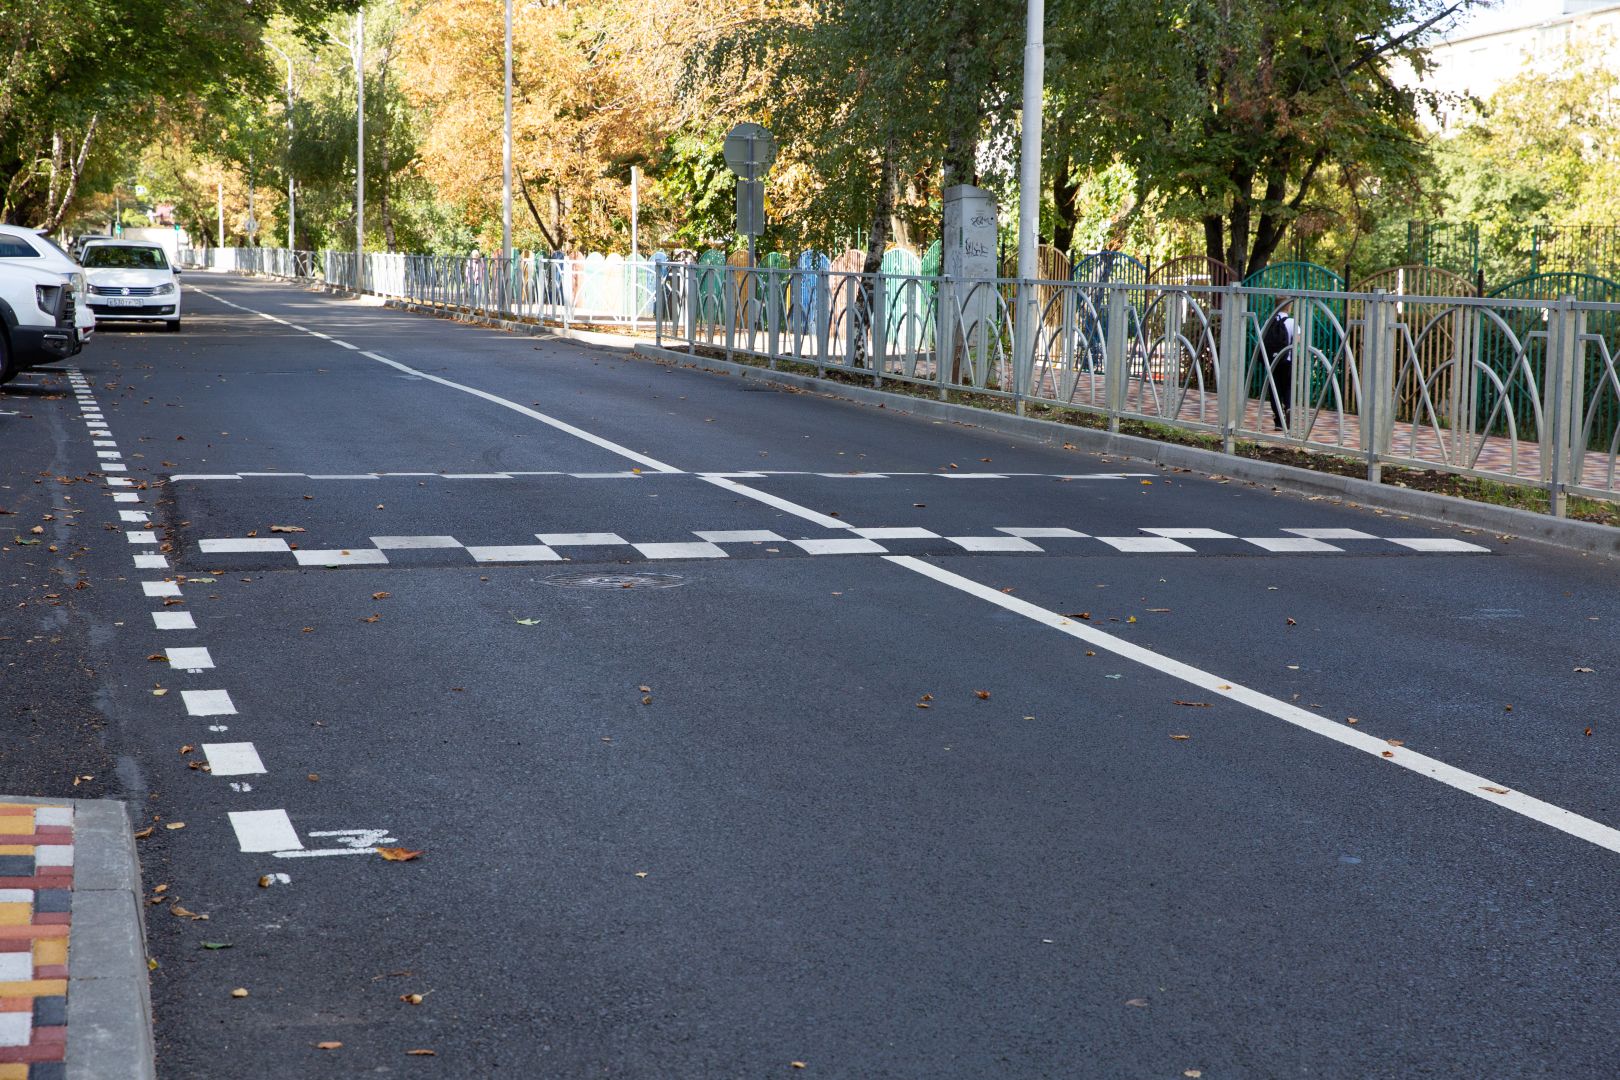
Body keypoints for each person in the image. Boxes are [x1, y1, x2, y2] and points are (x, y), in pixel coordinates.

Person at [1261, 306, 1297, 431]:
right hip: (1287, 360)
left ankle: (1278, 421)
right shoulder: (1292, 322)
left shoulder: (1268, 322)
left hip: (1272, 361)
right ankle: (1289, 407)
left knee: (1274, 389)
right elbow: (1298, 341)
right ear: (1289, 307)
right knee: (1288, 386)